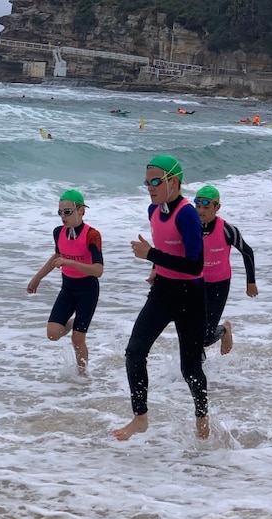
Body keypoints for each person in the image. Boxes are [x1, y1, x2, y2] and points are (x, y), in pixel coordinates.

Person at [112, 155, 208, 441]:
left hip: (190, 295)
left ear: (174, 182)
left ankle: (202, 418)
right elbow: (169, 248)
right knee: (134, 352)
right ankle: (140, 417)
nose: (150, 187)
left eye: (156, 181)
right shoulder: (154, 210)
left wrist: (151, 255)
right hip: (163, 290)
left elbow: (195, 265)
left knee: (190, 368)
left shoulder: (187, 214)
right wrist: (157, 267)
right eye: (147, 181)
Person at [27, 189, 104, 375]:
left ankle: (83, 376)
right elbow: (57, 255)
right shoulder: (58, 232)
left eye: (68, 212)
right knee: (52, 334)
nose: (63, 216)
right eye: (60, 212)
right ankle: (73, 323)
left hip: (88, 290)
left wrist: (70, 262)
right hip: (68, 289)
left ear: (81, 211)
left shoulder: (92, 235)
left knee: (77, 339)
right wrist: (37, 277)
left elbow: (98, 270)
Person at [193, 185, 258, 356]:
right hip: (194, 282)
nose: (201, 211)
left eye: (206, 207)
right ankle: (197, 373)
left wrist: (251, 282)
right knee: (192, 332)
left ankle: (224, 330)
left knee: (206, 337)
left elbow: (247, 252)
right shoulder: (189, 227)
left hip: (218, 285)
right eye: (198, 206)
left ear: (217, 207)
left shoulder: (227, 230)